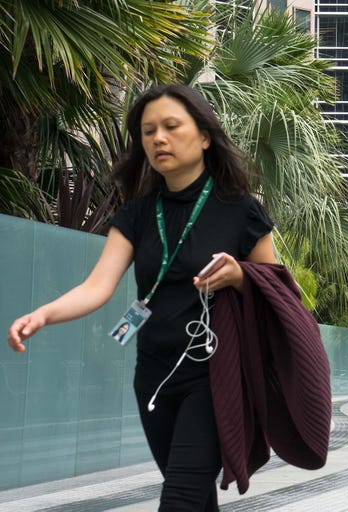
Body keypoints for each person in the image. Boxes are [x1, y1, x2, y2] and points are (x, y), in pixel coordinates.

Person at [7, 84, 331, 510]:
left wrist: (240, 277)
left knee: (180, 495)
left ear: (203, 136)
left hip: (215, 373)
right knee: (192, 494)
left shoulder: (241, 210)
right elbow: (96, 287)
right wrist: (43, 315)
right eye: (148, 131)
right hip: (153, 375)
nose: (158, 138)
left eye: (171, 126)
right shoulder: (136, 214)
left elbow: (280, 294)